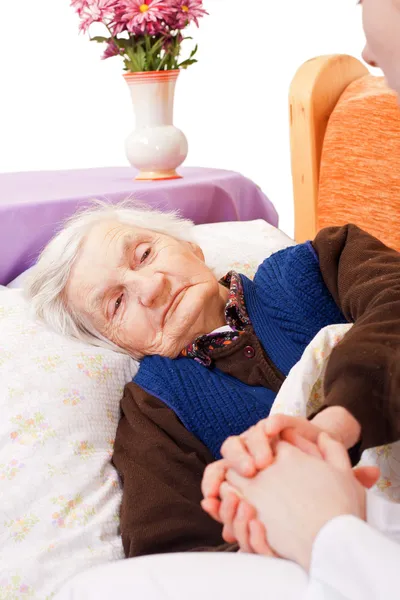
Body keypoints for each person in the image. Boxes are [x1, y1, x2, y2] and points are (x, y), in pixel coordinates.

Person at [27, 192, 400, 557]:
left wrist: (333, 429)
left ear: (191, 247)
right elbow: (169, 561)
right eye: (117, 303)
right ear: (117, 342)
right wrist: (270, 542)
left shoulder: (320, 262)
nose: (151, 287)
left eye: (144, 254)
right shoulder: (155, 409)